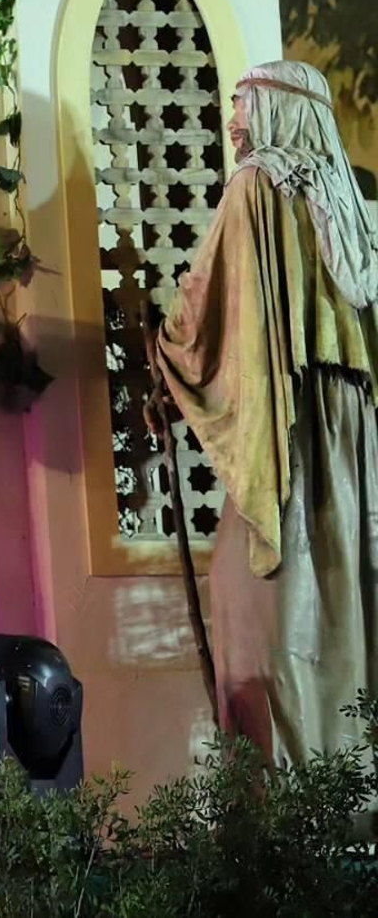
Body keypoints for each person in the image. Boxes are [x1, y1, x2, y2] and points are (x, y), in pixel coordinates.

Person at [149, 60, 378, 763]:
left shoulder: (256, 186)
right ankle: (353, 781)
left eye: (244, 105)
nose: (233, 121)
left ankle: (292, 791)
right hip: (350, 424)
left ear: (280, 111)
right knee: (347, 596)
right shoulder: (349, 198)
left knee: (263, 604)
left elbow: (211, 303)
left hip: (287, 423)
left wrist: (165, 353)